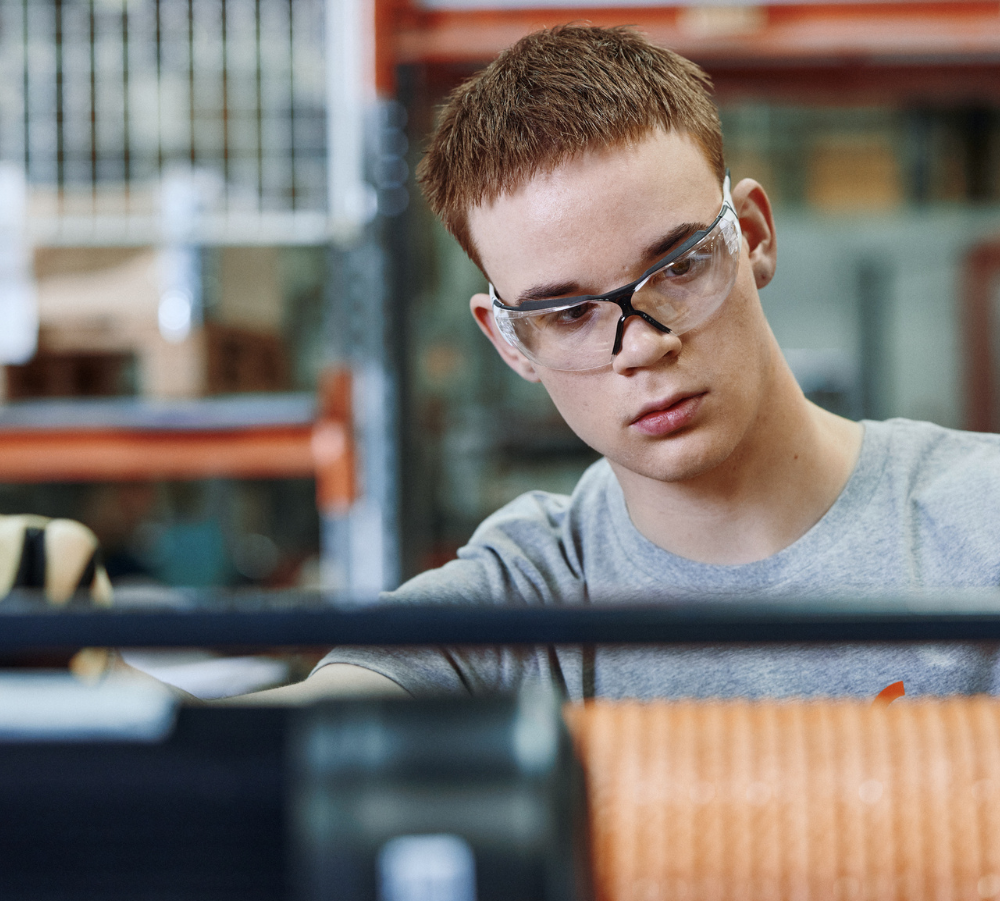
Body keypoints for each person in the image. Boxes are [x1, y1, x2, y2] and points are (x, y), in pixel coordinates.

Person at [44, 25, 1000, 703]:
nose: (643, 343)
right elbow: (281, 751)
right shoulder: (524, 598)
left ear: (749, 234)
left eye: (677, 266)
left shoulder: (978, 523)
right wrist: (76, 667)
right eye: (567, 312)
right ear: (509, 341)